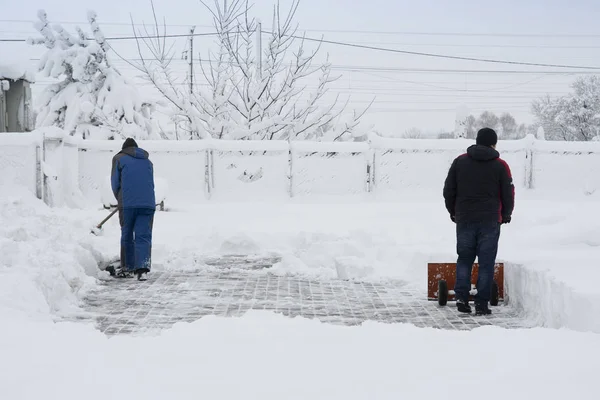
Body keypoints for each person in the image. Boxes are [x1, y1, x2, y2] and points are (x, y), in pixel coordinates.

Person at [442, 128, 514, 315]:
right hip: (490, 220)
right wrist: (506, 214)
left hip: (465, 218)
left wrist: (454, 211)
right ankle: (482, 303)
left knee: (465, 258)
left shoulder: (460, 162)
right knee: (486, 262)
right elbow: (508, 193)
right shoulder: (500, 165)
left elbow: (449, 189)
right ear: (493, 143)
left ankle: (461, 298)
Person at [111, 138, 156, 281]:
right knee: (143, 236)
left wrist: (120, 198)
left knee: (127, 235)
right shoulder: (148, 162)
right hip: (147, 204)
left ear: (124, 148)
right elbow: (150, 183)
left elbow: (115, 183)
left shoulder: (118, 158)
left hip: (128, 204)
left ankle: (127, 268)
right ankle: (142, 269)